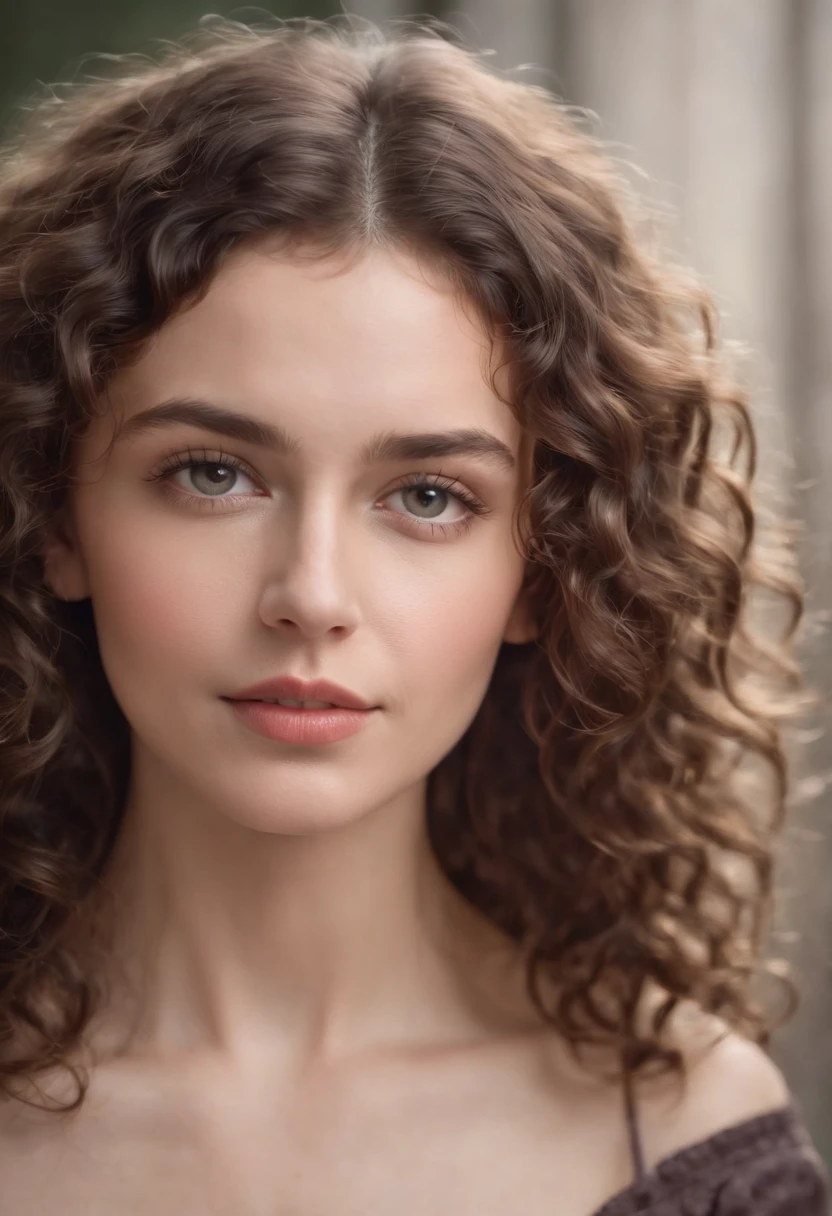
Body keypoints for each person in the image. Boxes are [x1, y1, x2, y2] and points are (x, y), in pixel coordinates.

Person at [0, 13, 826, 1214]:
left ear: (545, 568)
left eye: (428, 497)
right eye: (214, 474)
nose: (312, 597)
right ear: (55, 514)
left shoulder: (682, 1136)